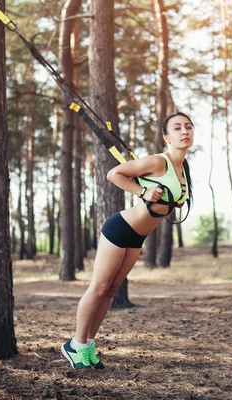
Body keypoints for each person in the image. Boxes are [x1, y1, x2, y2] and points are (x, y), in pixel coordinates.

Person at [61, 111, 195, 369]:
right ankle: (74, 345)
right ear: (167, 137)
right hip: (120, 228)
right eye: (177, 128)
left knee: (111, 291)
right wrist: (143, 191)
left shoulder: (183, 169)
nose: (184, 131)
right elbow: (115, 174)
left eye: (188, 127)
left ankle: (88, 346)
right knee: (99, 287)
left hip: (137, 236)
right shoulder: (158, 161)